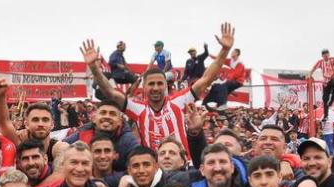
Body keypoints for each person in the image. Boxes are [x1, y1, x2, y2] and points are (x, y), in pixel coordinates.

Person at [85, 24, 236, 160]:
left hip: (183, 170)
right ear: (144, 87)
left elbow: (206, 79)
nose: (156, 87)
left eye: (159, 83)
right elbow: (110, 93)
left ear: (165, 85)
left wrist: (224, 50)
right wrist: (94, 68)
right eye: (151, 84)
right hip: (154, 174)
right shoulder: (138, 109)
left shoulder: (179, 101)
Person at [309, 50, 334, 121]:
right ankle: (326, 116)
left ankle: (333, 97)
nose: (326, 57)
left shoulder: (332, 59)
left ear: (329, 55)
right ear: (322, 56)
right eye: (324, 56)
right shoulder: (320, 62)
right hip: (326, 82)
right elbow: (313, 68)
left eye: (327, 55)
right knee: (324, 99)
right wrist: (309, 75)